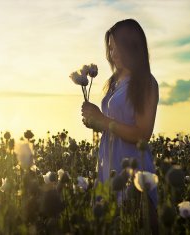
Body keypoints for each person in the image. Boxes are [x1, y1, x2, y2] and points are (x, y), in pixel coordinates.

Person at [81, 19, 159, 233]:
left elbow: (143, 134)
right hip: (109, 164)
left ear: (131, 46)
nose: (112, 53)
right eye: (110, 47)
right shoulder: (113, 83)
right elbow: (115, 124)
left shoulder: (146, 82)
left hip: (133, 165)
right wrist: (96, 122)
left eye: (116, 46)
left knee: (136, 222)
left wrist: (103, 120)